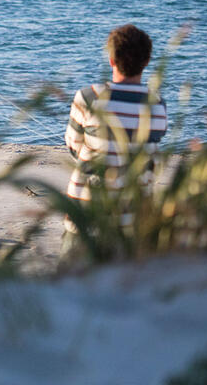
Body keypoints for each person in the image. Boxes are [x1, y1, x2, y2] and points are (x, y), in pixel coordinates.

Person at [60, 24, 168, 262]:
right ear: (147, 61)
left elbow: (73, 146)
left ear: (111, 59)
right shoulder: (157, 104)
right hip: (133, 220)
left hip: (85, 216)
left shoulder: (88, 97)